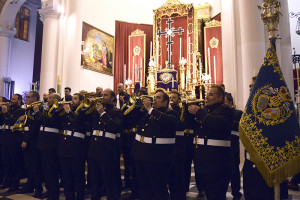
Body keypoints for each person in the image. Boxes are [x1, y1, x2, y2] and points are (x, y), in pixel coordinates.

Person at [188, 85, 234, 200]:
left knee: (216, 194)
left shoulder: (226, 110)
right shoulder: (205, 110)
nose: (207, 97)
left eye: (211, 94)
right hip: (203, 159)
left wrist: (198, 112)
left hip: (218, 160)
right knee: (208, 193)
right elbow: (191, 126)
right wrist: (188, 109)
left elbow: (218, 124)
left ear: (220, 98)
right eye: (207, 94)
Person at [131, 89, 179, 199]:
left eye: (158, 98)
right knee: (143, 187)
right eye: (154, 97)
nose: (155, 100)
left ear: (165, 102)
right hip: (141, 155)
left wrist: (150, 109)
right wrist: (136, 107)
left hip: (158, 158)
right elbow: (131, 120)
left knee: (158, 188)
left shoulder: (171, 113)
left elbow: (171, 123)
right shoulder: (147, 113)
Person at [88, 89, 123, 200]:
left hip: (107, 150)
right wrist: (90, 106)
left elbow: (115, 127)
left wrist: (103, 113)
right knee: (94, 181)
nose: (102, 97)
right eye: (102, 95)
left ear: (112, 98)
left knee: (109, 181)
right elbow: (83, 118)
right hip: (94, 148)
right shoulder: (95, 110)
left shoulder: (116, 111)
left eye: (105, 95)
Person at [33, 93, 63, 200]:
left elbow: (50, 122)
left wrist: (37, 113)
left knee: (51, 171)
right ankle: (49, 191)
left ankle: (54, 194)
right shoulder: (48, 109)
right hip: (43, 142)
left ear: (56, 100)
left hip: (51, 144)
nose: (47, 99)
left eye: (50, 98)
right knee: (45, 171)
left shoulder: (58, 110)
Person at [58, 93, 86, 200]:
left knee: (78, 176)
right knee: (66, 176)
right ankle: (68, 196)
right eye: (72, 99)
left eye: (75, 99)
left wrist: (69, 112)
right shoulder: (67, 112)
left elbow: (79, 124)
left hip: (76, 148)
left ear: (81, 101)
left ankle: (80, 197)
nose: (73, 101)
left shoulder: (85, 112)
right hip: (64, 147)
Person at [18, 91, 43, 198]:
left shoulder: (38, 109)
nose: (26, 99)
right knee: (29, 166)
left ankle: (38, 189)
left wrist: (26, 140)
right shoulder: (28, 109)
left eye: (28, 97)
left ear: (35, 98)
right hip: (27, 139)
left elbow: (35, 126)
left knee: (35, 167)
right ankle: (30, 185)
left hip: (34, 141)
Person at [0, 95, 24, 193]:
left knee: (14, 163)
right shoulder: (9, 109)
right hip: (4, 138)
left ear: (19, 100)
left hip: (13, 139)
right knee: (6, 162)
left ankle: (14, 185)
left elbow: (14, 122)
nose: (11, 100)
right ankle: (7, 181)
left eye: (14, 99)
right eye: (11, 99)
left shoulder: (21, 111)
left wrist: (6, 112)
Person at [224, 92, 243, 200]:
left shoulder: (237, 113)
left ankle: (236, 192)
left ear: (230, 102)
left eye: (225, 102)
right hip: (221, 146)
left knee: (234, 169)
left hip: (233, 144)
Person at [169, 91, 186, 200]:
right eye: (170, 97)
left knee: (179, 173)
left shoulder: (180, 111)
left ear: (178, 99)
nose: (171, 99)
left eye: (174, 98)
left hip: (179, 144)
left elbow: (181, 125)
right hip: (170, 145)